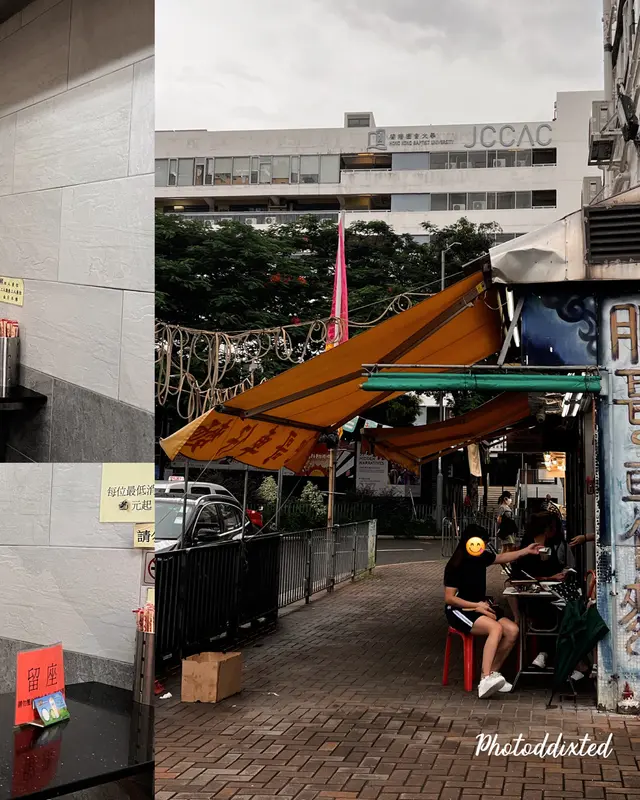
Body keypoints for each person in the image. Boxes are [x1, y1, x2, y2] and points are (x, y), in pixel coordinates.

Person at [443, 524, 542, 698]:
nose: (483, 547)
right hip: (459, 610)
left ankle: (490, 675)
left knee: (512, 630)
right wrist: (476, 606)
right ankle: (486, 679)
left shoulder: (481, 557)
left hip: (480, 606)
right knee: (495, 628)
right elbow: (450, 598)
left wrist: (526, 550)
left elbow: (502, 557)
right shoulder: (455, 565)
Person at [510, 512, 568, 671]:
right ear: (545, 528)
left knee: (567, 607)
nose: (555, 530)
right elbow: (521, 573)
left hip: (550, 590)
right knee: (546, 609)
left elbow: (556, 567)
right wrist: (547, 577)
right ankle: (545, 653)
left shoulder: (553, 543)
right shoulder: (528, 545)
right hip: (532, 593)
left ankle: (559, 655)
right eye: (553, 527)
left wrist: (559, 575)